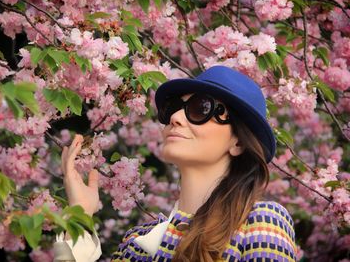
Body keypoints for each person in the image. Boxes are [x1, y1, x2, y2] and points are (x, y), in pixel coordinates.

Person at [53, 66, 297, 262]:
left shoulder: (261, 221)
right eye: (173, 108)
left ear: (238, 143)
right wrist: (80, 216)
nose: (175, 118)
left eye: (200, 108)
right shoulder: (135, 243)